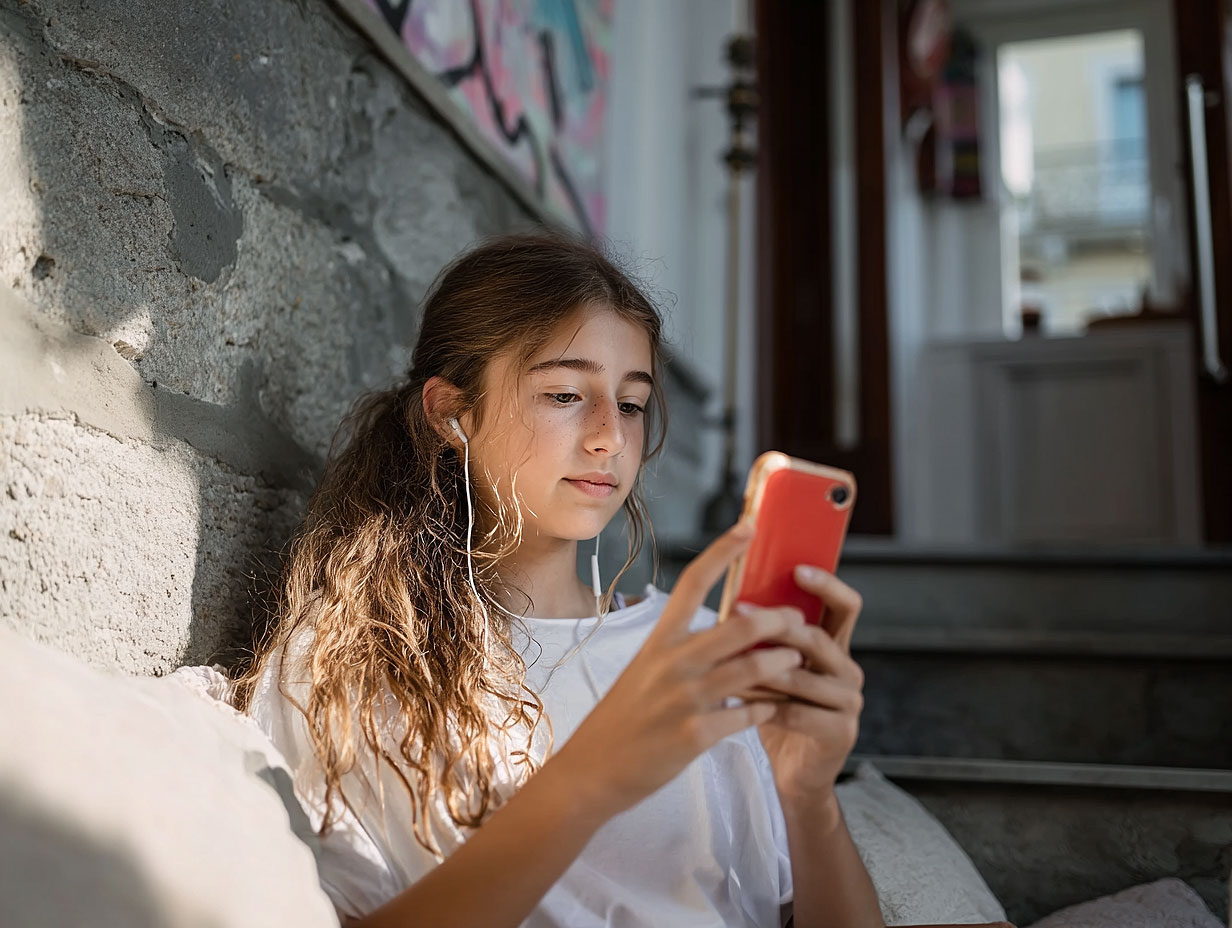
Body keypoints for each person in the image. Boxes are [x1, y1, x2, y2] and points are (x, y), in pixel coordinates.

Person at [235, 232, 882, 928]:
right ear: (452, 412)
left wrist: (807, 796)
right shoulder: (350, 667)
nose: (609, 436)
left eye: (631, 404)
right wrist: (593, 778)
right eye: (567, 393)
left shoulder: (699, 653)